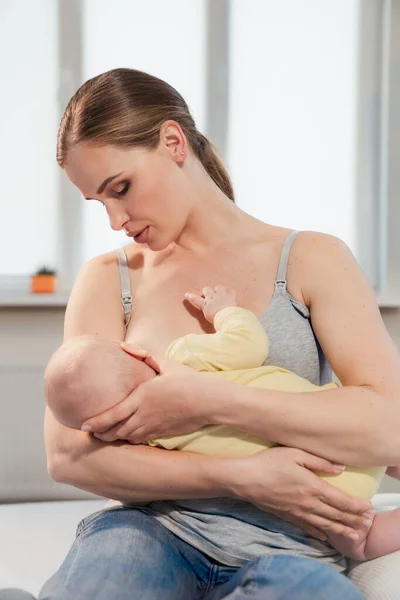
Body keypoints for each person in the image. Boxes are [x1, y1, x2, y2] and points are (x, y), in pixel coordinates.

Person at [6, 66, 400, 599]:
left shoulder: (310, 259)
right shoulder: (110, 280)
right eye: (99, 202)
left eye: (120, 188)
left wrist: (212, 400)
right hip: (150, 530)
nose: (116, 219)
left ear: (173, 142)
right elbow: (69, 456)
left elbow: (388, 428)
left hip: (289, 550)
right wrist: (242, 475)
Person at [44, 282, 399, 563]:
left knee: (359, 539)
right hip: (341, 440)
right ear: (134, 352)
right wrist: (226, 311)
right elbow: (249, 345)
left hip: (323, 503)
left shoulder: (143, 440)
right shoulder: (182, 359)